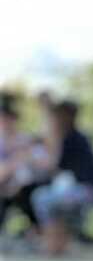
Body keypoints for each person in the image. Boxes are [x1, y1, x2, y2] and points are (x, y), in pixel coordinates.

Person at [31, 97, 93, 256]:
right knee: (46, 198)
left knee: (43, 198)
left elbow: (52, 164)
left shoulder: (73, 139)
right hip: (71, 189)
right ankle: (55, 243)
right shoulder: (67, 138)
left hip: (86, 190)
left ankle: (53, 244)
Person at [0, 92, 51, 236]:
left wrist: (25, 157)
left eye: (7, 119)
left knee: (28, 192)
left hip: (28, 186)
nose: (4, 123)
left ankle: (39, 232)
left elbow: (45, 164)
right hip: (6, 187)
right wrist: (15, 162)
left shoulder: (26, 140)